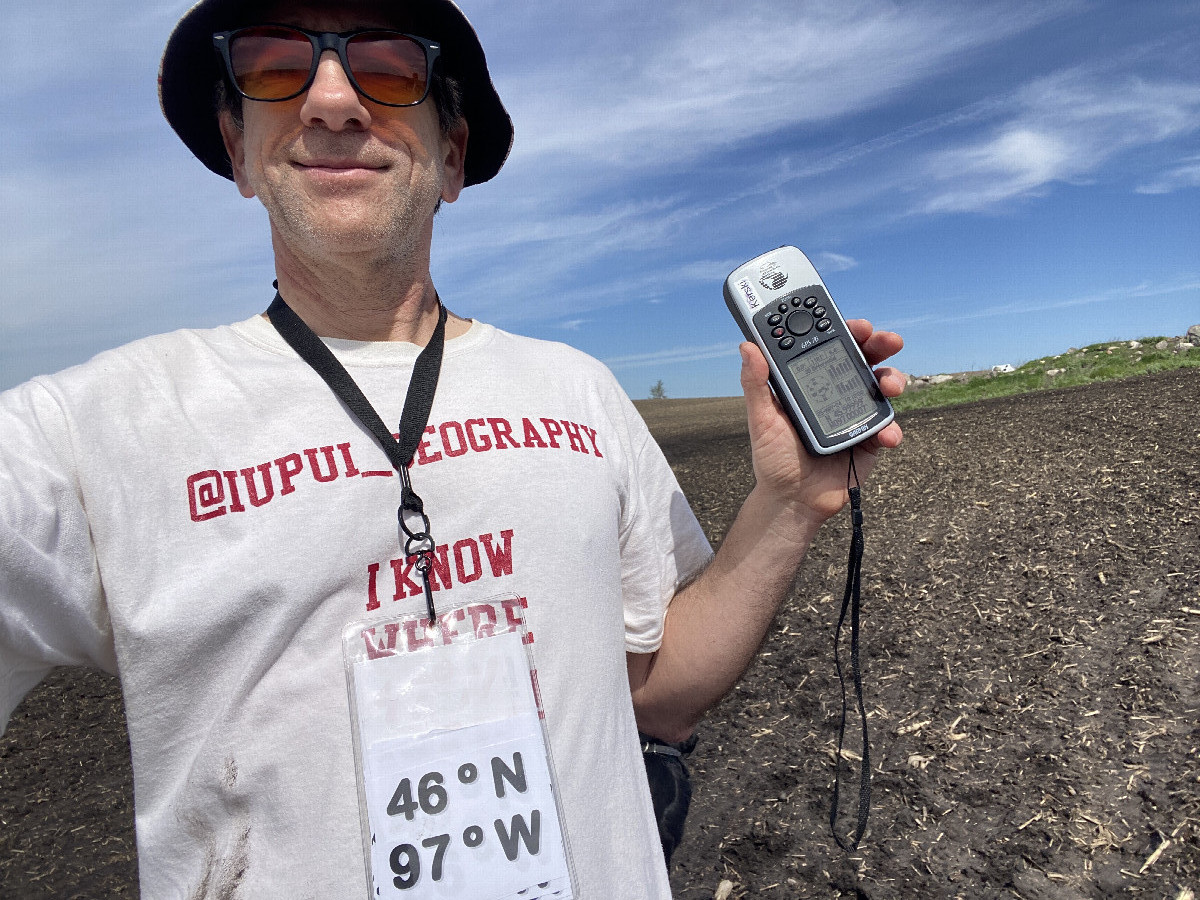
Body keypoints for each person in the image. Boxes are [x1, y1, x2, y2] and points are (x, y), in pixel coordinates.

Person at [0, 0, 905, 896]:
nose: (330, 101)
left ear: (453, 159)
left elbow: (654, 694)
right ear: (237, 148)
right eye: (274, 62)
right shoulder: (91, 433)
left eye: (387, 66)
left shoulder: (578, 388)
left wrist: (788, 503)